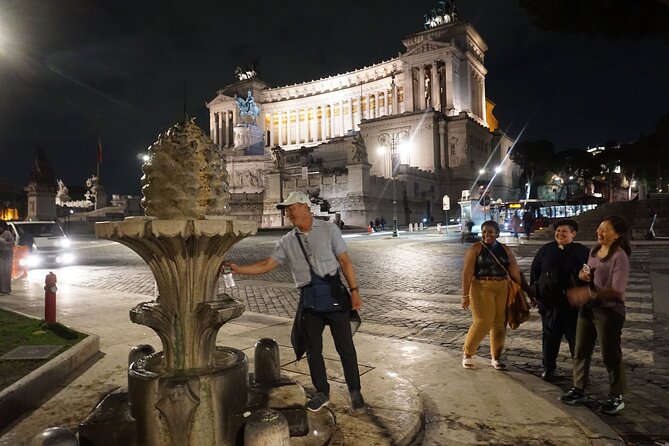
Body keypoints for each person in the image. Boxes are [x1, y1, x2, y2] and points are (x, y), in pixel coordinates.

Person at [230, 191, 365, 413]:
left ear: (304, 206)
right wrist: (238, 269)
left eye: (291, 207)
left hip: (334, 297)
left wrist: (355, 291)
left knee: (346, 348)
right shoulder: (287, 241)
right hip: (309, 301)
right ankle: (322, 392)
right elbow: (266, 264)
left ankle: (355, 391)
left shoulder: (330, 229)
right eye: (286, 209)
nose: (288, 213)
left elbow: (345, 261)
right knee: (313, 350)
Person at [560, 216, 631, 415]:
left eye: (605, 230)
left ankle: (617, 395)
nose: (600, 233)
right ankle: (579, 388)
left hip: (609, 311)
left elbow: (617, 289)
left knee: (610, 354)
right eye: (599, 229)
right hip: (588, 309)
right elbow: (591, 275)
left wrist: (587, 293)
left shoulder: (620, 256)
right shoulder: (593, 251)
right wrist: (584, 277)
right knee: (581, 350)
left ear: (617, 235)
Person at [461, 220, 531, 369]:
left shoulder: (505, 250)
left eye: (491, 232)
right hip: (481, 287)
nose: (487, 235)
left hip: (502, 286)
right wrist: (465, 295)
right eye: (484, 231)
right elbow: (467, 273)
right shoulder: (475, 249)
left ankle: (496, 357)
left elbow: (515, 272)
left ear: (497, 233)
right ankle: (468, 354)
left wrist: (528, 291)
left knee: (500, 323)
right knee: (482, 321)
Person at [530, 219, 590, 382]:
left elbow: (590, 273)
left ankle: (580, 374)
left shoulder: (582, 251)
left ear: (573, 234)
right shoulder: (546, 249)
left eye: (564, 231)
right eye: (558, 231)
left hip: (572, 304)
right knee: (549, 337)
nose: (560, 234)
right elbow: (535, 271)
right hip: (550, 303)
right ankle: (548, 368)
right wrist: (535, 293)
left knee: (575, 339)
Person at [0, 221, 15, 295]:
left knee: (5, 272)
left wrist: (4, 242)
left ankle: (5, 289)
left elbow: (12, 243)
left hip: (7, 255)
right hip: (1, 254)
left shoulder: (7, 233)